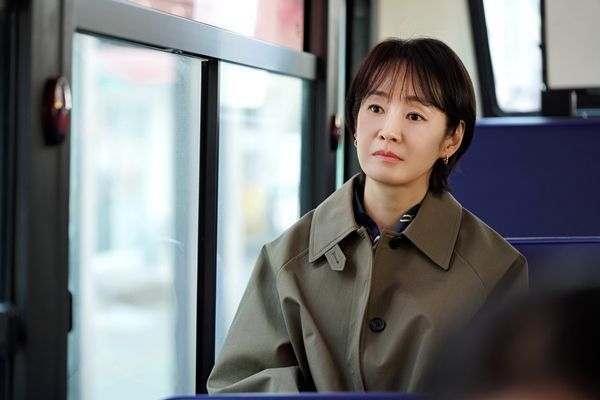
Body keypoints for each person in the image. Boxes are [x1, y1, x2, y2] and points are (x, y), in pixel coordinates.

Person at [207, 37, 528, 393]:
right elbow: (239, 387)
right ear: (355, 124)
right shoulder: (286, 257)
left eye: (415, 116)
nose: (389, 131)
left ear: (451, 139)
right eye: (375, 108)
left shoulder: (495, 270)